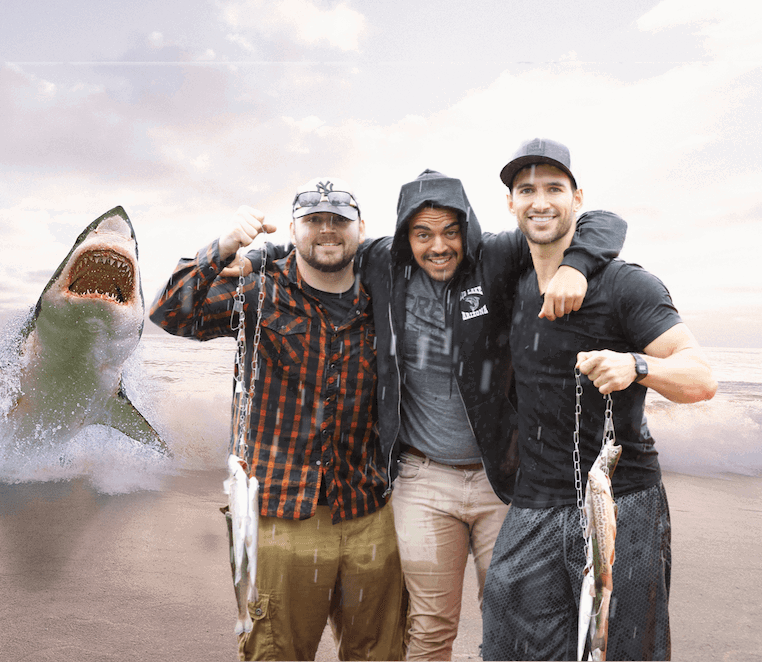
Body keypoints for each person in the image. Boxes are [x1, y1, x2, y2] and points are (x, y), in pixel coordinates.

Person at [237, 170, 627, 660]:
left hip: (500, 479)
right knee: (427, 627)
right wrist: (256, 254)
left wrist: (577, 266)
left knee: (513, 616)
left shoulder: (496, 258)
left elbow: (604, 223)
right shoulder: (383, 262)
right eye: (423, 234)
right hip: (422, 480)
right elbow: (317, 244)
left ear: (469, 229)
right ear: (405, 237)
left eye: (450, 232)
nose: (438, 246)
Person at [150, 178, 408, 661]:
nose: (327, 232)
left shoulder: (385, 300)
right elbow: (169, 312)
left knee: (382, 651)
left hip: (369, 509)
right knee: (276, 651)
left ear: (361, 230)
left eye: (338, 221)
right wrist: (226, 245)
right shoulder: (256, 292)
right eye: (314, 221)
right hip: (279, 512)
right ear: (294, 229)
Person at [480, 138, 717, 661]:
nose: (540, 201)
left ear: (578, 198)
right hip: (535, 501)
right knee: (509, 641)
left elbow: (700, 377)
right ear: (511, 204)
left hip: (623, 501)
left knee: (625, 648)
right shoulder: (512, 285)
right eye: (526, 190)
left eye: (553, 189)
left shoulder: (626, 285)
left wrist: (637, 366)